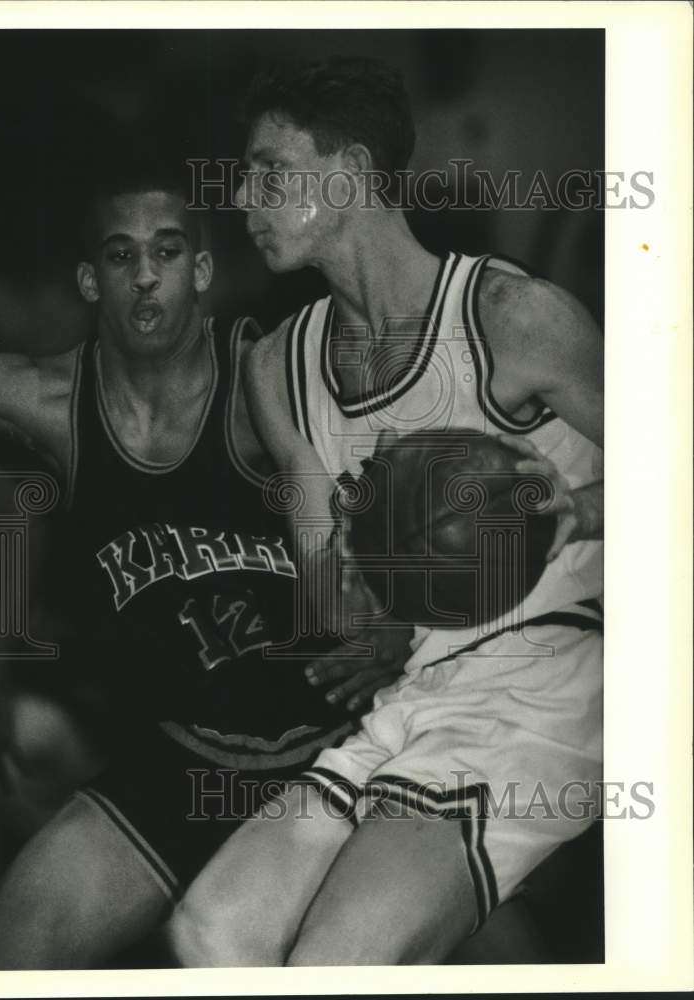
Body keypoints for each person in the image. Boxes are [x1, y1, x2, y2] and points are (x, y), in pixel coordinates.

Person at [168, 56, 604, 966]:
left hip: (542, 681)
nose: (242, 197)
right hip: (412, 694)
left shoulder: (513, 318)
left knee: (336, 960)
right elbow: (331, 597)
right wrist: (380, 610)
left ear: (351, 172)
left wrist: (570, 510)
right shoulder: (277, 370)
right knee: (211, 933)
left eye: (268, 172)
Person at [0, 165, 406, 969]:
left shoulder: (274, 380)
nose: (146, 275)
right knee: (5, 952)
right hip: (184, 761)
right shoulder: (47, 400)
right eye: (121, 256)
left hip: (339, 750)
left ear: (200, 271)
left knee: (497, 949)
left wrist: (400, 626)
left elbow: (446, 484)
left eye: (167, 251)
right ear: (91, 279)